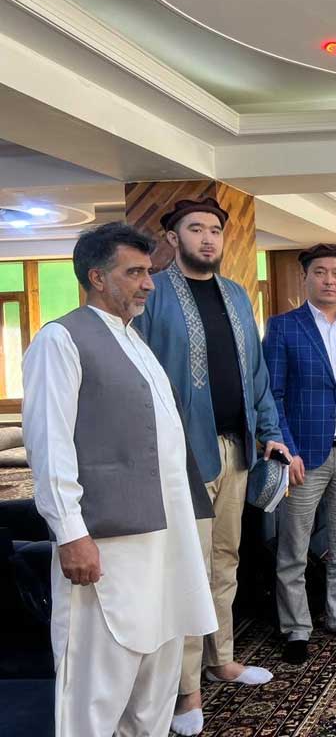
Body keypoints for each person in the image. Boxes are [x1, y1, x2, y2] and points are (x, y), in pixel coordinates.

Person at [22, 223, 216, 736]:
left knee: (153, 687)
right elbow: (50, 446)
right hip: (106, 546)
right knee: (96, 690)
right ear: (97, 277)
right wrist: (71, 535)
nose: (148, 283)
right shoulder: (61, 339)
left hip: (166, 540)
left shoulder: (135, 339)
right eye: (134, 273)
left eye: (148, 272)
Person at [133, 197, 290, 736]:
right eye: (195, 229)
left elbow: (257, 373)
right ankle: (185, 689)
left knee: (226, 560)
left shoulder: (236, 294)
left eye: (215, 230)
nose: (207, 238)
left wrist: (270, 431)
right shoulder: (154, 293)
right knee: (188, 568)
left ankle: (221, 659)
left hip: (236, 448)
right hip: (183, 455)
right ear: (172, 238)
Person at [263, 244, 336, 666]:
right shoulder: (283, 327)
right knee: (294, 548)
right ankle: (296, 628)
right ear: (305, 277)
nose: (329, 280)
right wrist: (287, 450)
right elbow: (272, 394)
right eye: (320, 272)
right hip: (302, 458)